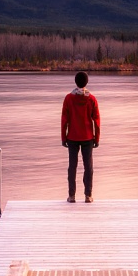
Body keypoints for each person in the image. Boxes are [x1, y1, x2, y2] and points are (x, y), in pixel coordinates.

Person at [61, 71, 100, 203]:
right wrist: (97, 138)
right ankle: (88, 196)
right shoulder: (92, 99)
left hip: (72, 136)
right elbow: (97, 120)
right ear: (86, 82)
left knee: (72, 166)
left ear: (75, 82)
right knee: (88, 166)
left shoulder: (68, 98)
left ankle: (72, 196)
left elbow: (64, 119)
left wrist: (63, 137)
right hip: (88, 137)